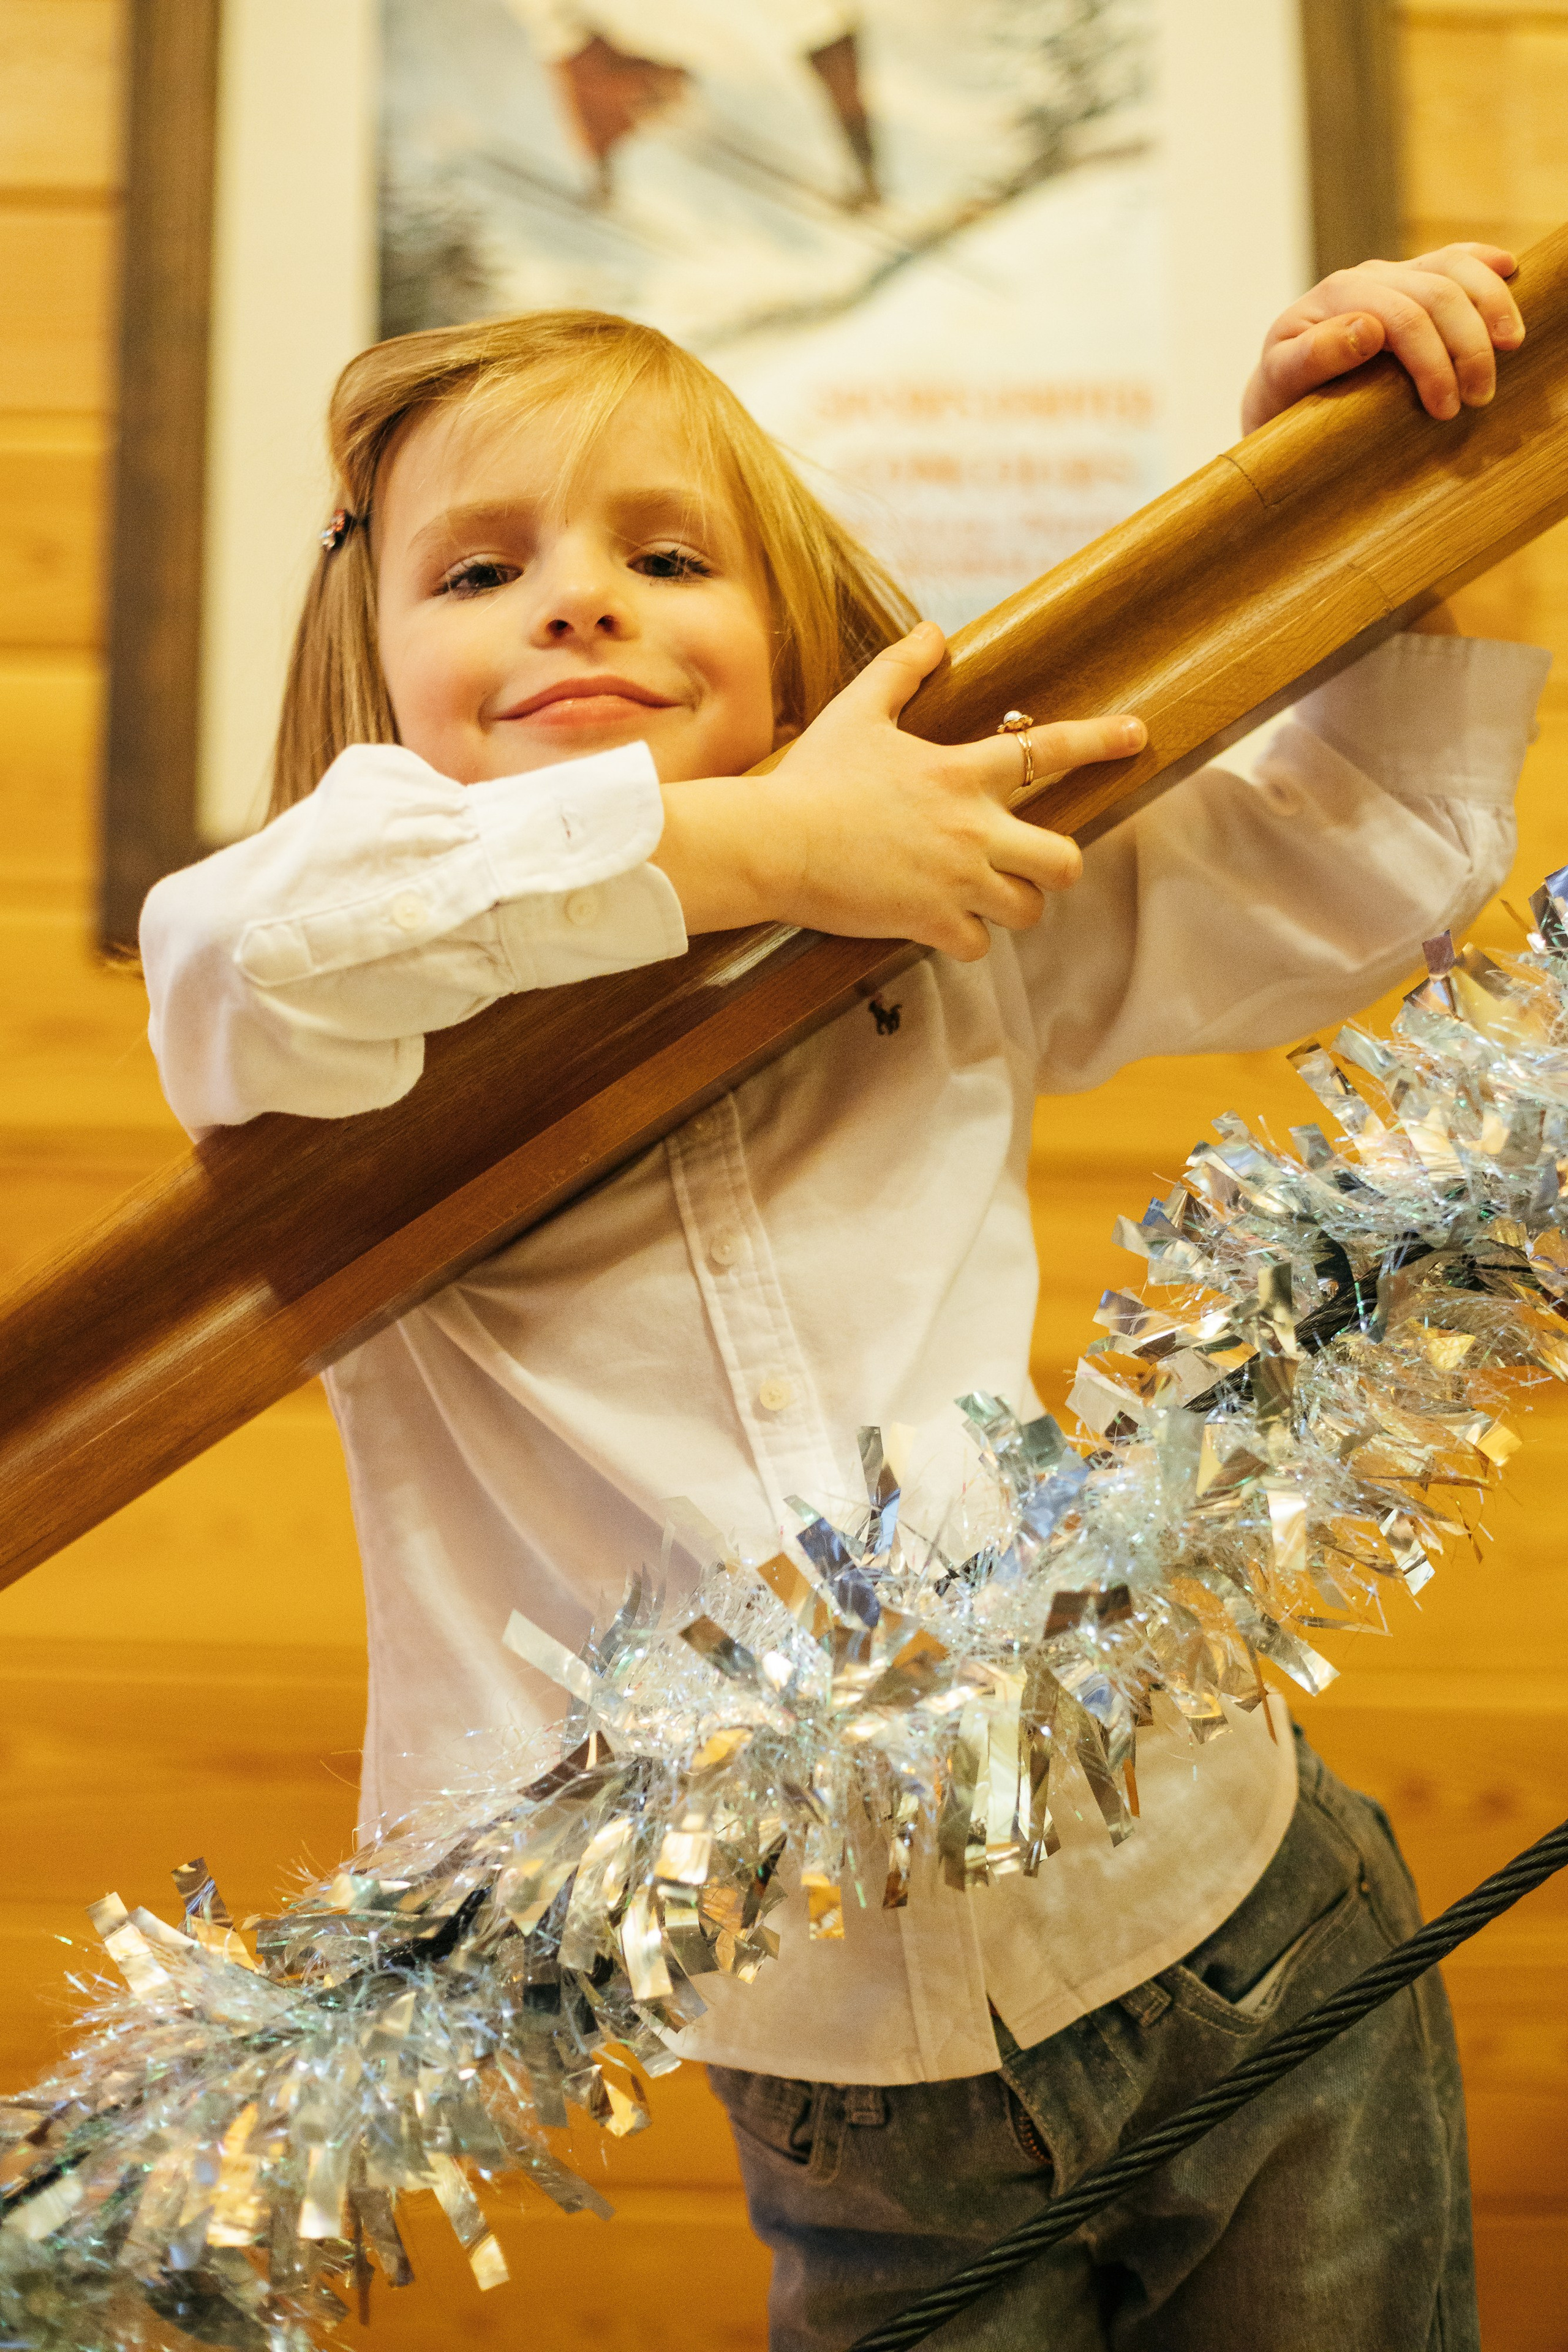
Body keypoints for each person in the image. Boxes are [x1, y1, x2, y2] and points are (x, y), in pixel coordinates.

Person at [141, 247, 1548, 2351]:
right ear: (375, 674)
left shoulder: (925, 896)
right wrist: (754, 846)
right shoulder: (339, 1030)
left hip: (1228, 1899)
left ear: (794, 641)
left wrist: (1375, 474)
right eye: (482, 572)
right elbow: (244, 943)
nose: (578, 604)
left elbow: (1365, 860)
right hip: (840, 2074)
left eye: (666, 557)